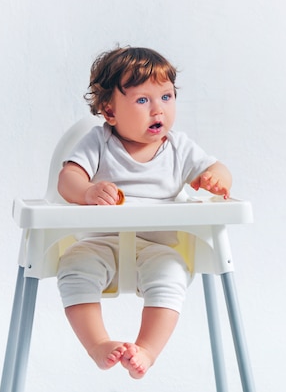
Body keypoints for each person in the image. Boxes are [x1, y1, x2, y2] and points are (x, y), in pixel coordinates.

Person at [56, 46, 232, 379]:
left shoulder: (179, 148)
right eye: (142, 100)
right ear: (109, 111)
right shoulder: (99, 142)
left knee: (172, 273)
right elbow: (68, 178)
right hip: (100, 243)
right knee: (74, 266)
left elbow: (215, 166)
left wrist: (217, 177)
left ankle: (147, 350)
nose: (158, 110)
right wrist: (87, 191)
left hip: (157, 248)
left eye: (166, 97)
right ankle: (97, 344)